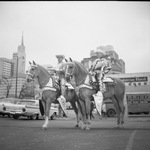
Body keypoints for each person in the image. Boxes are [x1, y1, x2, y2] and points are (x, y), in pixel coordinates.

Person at [90, 51, 112, 116]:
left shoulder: (105, 61)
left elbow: (109, 68)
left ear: (102, 54)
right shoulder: (95, 61)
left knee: (99, 80)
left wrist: (103, 72)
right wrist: (91, 72)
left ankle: (100, 92)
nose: (97, 54)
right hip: (94, 74)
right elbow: (91, 68)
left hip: (101, 74)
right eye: (97, 53)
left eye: (98, 53)